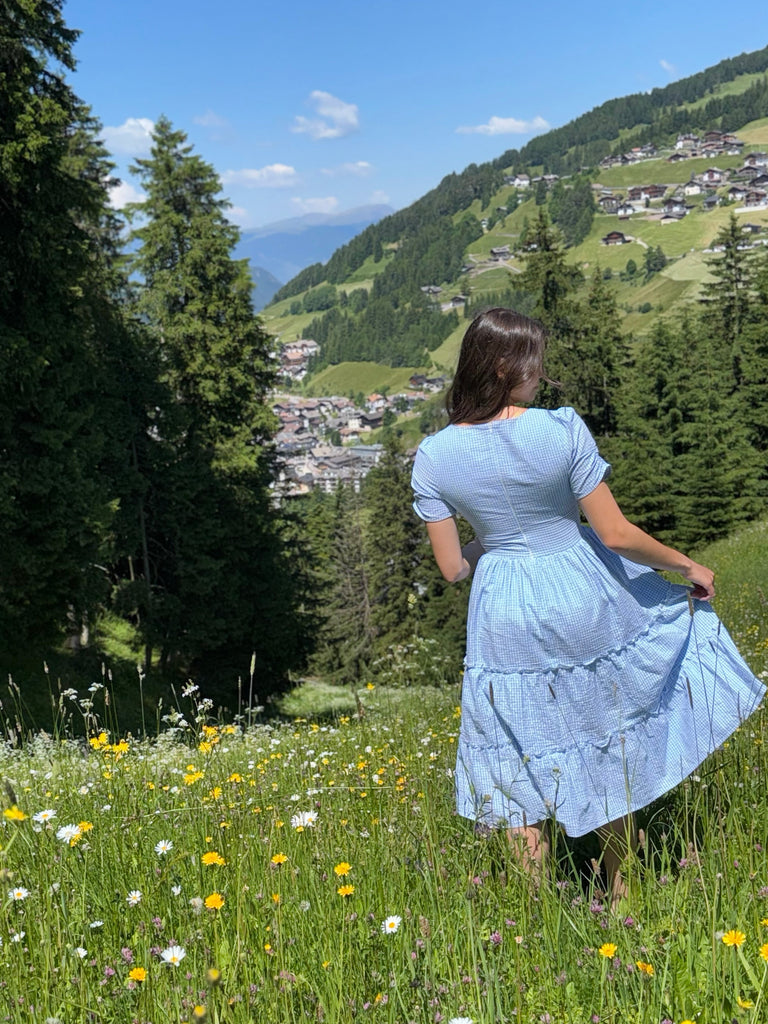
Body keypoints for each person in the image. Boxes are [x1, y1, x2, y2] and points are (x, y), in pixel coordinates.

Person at [410, 307, 765, 901]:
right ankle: (621, 889)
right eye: (535, 363)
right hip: (579, 586)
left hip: (504, 608)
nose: (542, 374)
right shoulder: (561, 429)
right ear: (506, 366)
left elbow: (451, 568)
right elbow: (616, 533)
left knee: (511, 744)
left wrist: (495, 538)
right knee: (603, 729)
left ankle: (534, 913)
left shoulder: (434, 455)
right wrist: (686, 566)